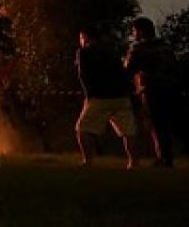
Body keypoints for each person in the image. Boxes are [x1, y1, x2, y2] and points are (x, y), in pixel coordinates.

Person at [75, 28, 136, 168]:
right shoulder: (112, 51)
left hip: (100, 97)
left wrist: (88, 95)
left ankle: (87, 161)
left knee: (83, 129)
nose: (80, 41)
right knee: (128, 131)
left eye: (81, 38)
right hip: (121, 96)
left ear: (85, 37)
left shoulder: (84, 52)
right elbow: (123, 72)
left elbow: (83, 75)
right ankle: (132, 163)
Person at [125, 17, 178, 167]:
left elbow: (128, 71)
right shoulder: (166, 47)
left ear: (141, 31)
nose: (133, 33)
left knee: (155, 125)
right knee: (165, 124)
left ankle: (162, 158)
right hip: (169, 89)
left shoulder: (139, 49)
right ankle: (167, 157)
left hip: (149, 90)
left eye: (134, 30)